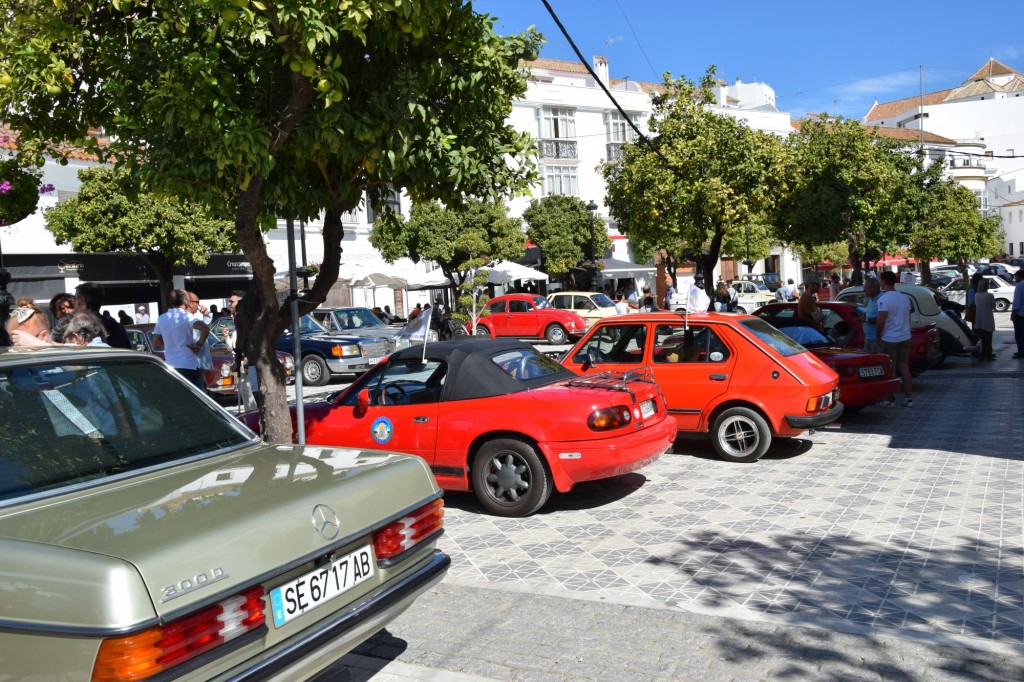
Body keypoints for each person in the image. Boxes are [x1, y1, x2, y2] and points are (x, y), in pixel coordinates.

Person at [153, 288, 209, 389]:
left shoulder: (162, 318)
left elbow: (156, 343)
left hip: (170, 365)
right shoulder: (187, 317)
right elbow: (205, 329)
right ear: (186, 301)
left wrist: (171, 342)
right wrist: (199, 345)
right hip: (188, 365)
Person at [876, 270, 913, 407]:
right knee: (904, 366)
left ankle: (889, 398)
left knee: (890, 368)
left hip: (890, 338)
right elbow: (908, 318)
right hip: (905, 335)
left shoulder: (883, 300)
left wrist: (878, 335)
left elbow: (881, 321)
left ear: (884, 282)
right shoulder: (905, 298)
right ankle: (909, 398)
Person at [75, 282, 130, 348]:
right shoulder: (118, 328)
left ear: (82, 301)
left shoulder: (76, 328)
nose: (74, 303)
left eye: (75, 299)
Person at [973, 278, 996, 361]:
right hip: (988, 319)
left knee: (981, 339)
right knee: (988, 340)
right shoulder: (989, 295)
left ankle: (982, 354)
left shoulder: (976, 295)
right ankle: (989, 355)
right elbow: (993, 306)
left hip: (979, 320)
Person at [861, 276, 881, 351]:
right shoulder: (870, 298)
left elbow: (881, 319)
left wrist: (865, 319)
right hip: (868, 337)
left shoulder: (881, 299)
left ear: (874, 289)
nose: (864, 291)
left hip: (876, 338)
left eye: (866, 289)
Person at [1012, 270, 1024, 359]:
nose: (1014, 278)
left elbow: (1016, 301)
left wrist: (1013, 314)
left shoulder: (1019, 286)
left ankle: (1021, 352)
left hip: (1020, 314)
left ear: (1020, 276)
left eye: (1015, 276)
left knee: (1019, 334)